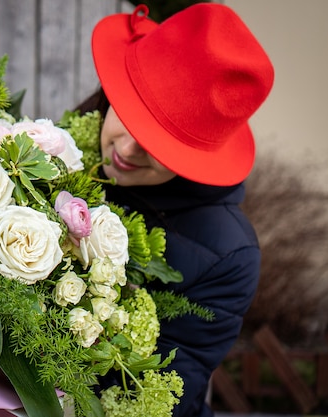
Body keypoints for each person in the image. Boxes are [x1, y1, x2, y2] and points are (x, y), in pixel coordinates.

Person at [77, 3, 274, 416]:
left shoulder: (228, 254)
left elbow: (163, 394)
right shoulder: (68, 146)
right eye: (129, 116)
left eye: (159, 143)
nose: (127, 151)